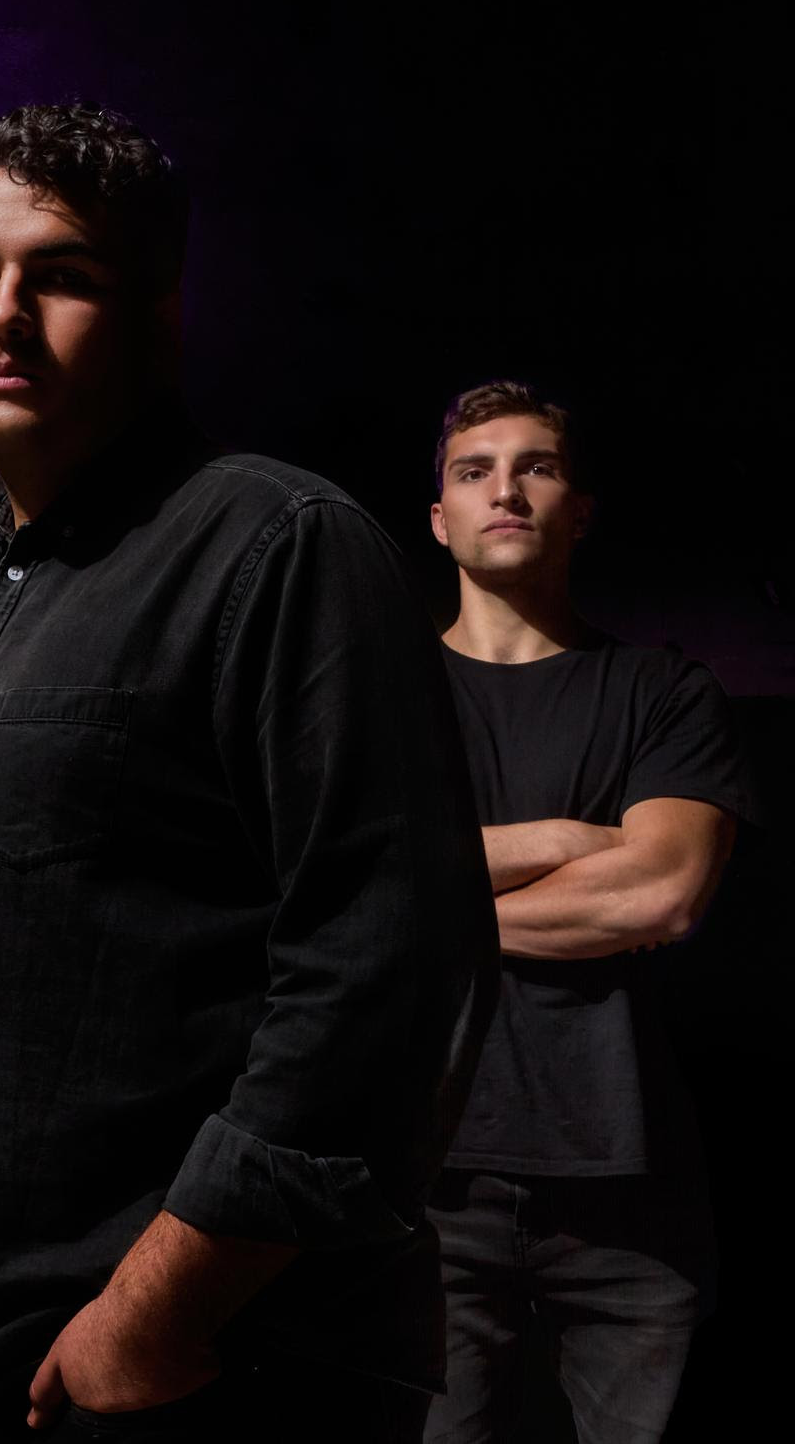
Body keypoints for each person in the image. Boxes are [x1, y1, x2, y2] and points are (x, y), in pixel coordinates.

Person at [0, 103, 498, 1441]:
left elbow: (387, 967)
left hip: (206, 1366)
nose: (5, 312)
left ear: (160, 313)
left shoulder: (283, 542)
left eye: (62, 275)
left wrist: (163, 1305)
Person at [422, 381, 745, 1444]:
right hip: (426, 1183)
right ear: (441, 518)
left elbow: (662, 890)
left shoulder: (664, 691)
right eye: (475, 470)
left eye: (539, 466)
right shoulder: (380, 697)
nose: (506, 489)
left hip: (630, 1193)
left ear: (581, 510)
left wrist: (419, 906)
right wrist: (566, 839)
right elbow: (321, 886)